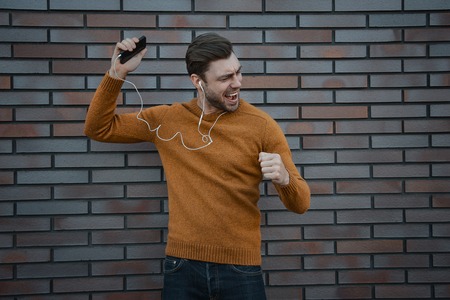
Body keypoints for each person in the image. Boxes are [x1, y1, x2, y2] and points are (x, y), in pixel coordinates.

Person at [84, 32, 310, 300]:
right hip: (181, 267)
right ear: (198, 81)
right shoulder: (167, 120)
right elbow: (98, 128)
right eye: (225, 78)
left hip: (241, 270)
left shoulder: (261, 125)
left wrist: (284, 179)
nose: (237, 83)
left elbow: (301, 203)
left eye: (238, 72)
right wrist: (116, 74)